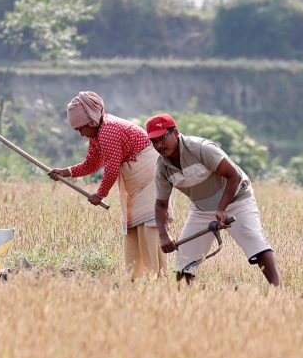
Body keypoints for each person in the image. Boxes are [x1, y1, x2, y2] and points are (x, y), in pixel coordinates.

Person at [147, 113, 280, 286]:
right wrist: (164, 236)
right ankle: (182, 302)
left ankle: (278, 290)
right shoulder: (162, 167)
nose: (159, 145)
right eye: (154, 141)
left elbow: (233, 176)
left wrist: (222, 209)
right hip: (201, 210)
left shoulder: (201, 148)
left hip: (236, 200)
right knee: (184, 260)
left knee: (253, 240)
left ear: (176, 133)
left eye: (162, 138)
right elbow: (161, 205)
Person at [48, 91, 166, 279]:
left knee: (149, 227)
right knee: (135, 228)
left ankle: (159, 277)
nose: (81, 134)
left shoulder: (109, 130)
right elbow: (92, 164)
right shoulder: (98, 135)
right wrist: (66, 171)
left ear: (92, 121)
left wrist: (100, 194)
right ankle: (135, 278)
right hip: (137, 186)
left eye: (81, 128)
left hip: (151, 179)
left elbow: (111, 168)